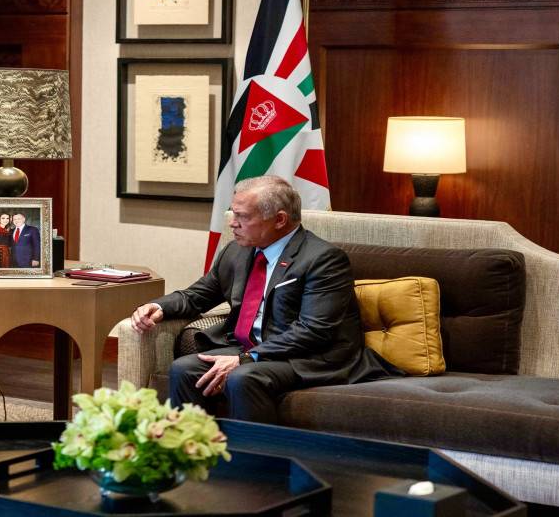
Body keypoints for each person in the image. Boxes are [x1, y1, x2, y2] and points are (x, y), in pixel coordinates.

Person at [130, 175, 398, 423]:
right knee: (184, 368)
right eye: (233, 213)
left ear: (279, 220)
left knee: (243, 377)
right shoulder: (237, 251)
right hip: (253, 349)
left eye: (242, 216)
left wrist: (247, 358)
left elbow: (313, 330)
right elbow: (198, 295)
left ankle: (252, 456)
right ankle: (193, 449)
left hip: (307, 356)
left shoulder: (323, 259)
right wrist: (158, 306)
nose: (232, 223)